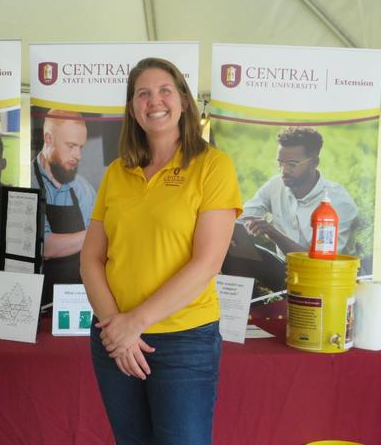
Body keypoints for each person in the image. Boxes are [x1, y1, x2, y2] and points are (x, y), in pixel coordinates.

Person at [81, 57, 242, 444]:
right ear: (133, 108)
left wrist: (133, 323)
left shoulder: (212, 167)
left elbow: (207, 263)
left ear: (184, 101)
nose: (155, 101)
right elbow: (91, 259)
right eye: (143, 94)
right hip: (113, 337)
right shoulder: (117, 172)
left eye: (165, 90)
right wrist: (116, 328)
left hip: (184, 341)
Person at [242, 126, 357, 256]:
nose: (284, 171)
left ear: (314, 162)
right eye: (280, 163)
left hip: (321, 275)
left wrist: (272, 233)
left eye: (292, 164)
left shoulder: (338, 202)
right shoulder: (276, 185)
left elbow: (318, 263)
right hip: (283, 272)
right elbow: (243, 217)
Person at [30, 109, 96, 304]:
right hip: (37, 303)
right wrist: (100, 232)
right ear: (48, 139)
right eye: (71, 146)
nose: (78, 155)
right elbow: (44, 246)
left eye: (81, 147)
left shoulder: (82, 187)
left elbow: (99, 248)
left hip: (77, 301)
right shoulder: (27, 182)